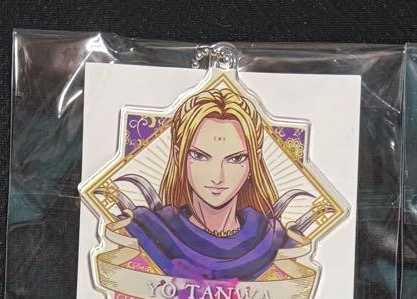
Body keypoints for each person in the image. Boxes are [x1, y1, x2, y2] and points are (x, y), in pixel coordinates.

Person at [110, 86, 307, 281]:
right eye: (200, 156)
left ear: (253, 162)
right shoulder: (149, 230)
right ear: (179, 156)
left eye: (235, 159)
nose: (217, 177)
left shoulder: (272, 241)